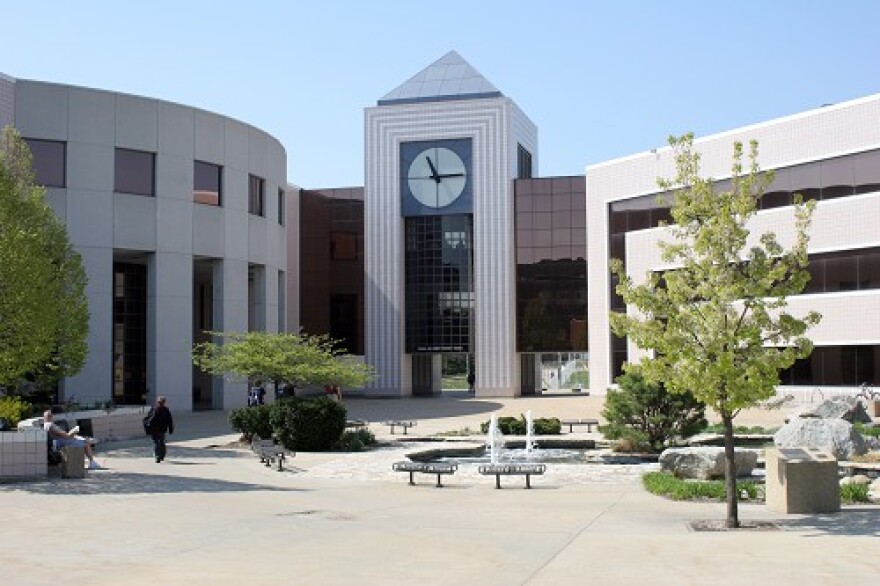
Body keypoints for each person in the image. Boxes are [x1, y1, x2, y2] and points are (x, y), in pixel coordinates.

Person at [146, 396, 174, 463]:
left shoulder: (154, 409)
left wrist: (148, 428)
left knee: (157, 442)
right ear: (164, 402)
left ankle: (157, 456)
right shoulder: (166, 410)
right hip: (162, 429)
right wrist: (171, 429)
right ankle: (161, 456)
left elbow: (148, 419)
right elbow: (169, 420)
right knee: (161, 442)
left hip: (155, 429)